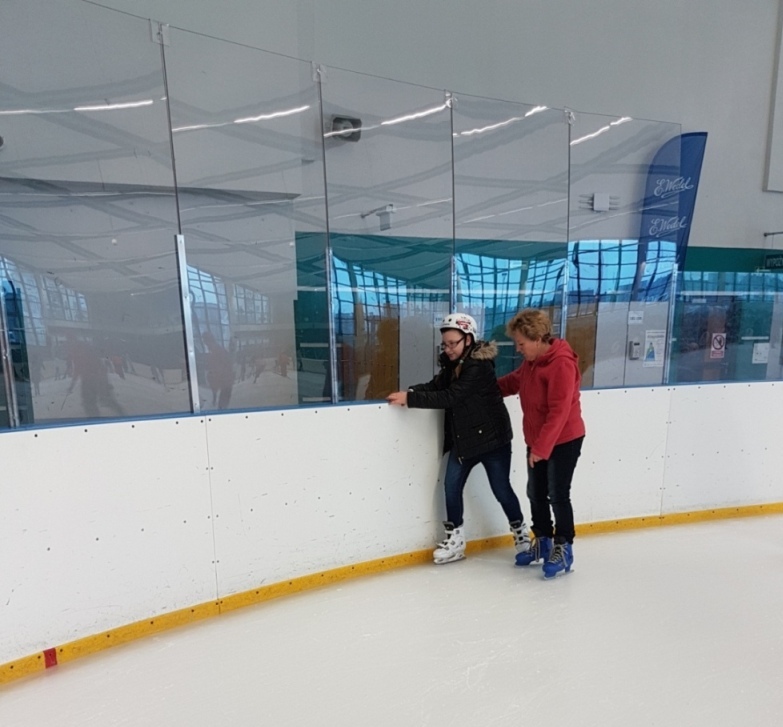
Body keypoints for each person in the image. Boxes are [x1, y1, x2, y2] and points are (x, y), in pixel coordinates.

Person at [387, 313, 531, 565]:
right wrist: (410, 391)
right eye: (445, 344)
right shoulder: (452, 365)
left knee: (501, 489)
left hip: (493, 440)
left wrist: (410, 399)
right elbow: (437, 386)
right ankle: (455, 540)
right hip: (465, 440)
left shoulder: (478, 366)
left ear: (468, 340)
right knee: (451, 487)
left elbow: (451, 396)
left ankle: (521, 533)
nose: (448, 349)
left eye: (453, 343)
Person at [497, 308, 586, 579]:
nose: (518, 348)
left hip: (565, 439)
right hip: (539, 440)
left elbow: (559, 412)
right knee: (535, 492)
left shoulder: (561, 364)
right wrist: (481, 388)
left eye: (521, 343)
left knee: (557, 494)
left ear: (537, 339)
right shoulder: (532, 363)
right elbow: (513, 382)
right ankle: (543, 541)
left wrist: (541, 449)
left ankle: (564, 547)